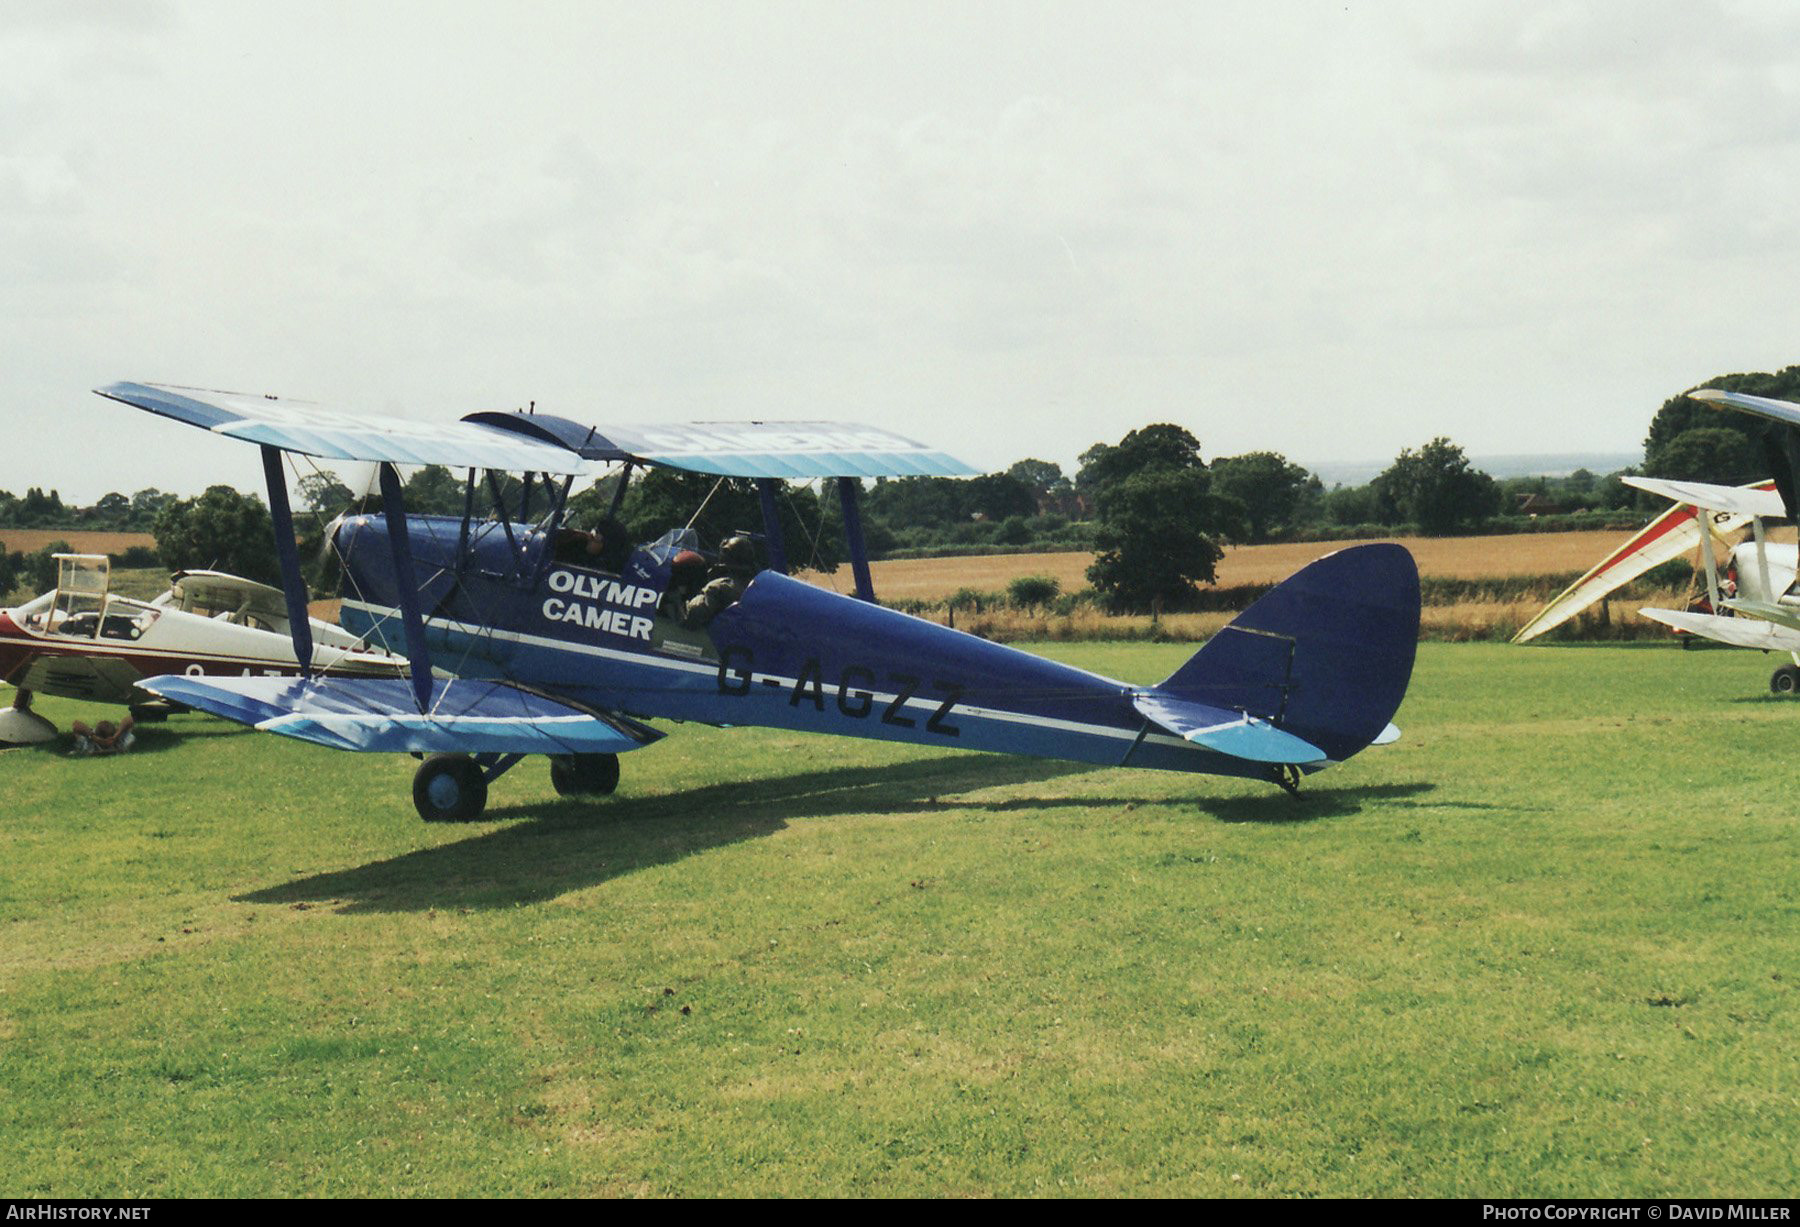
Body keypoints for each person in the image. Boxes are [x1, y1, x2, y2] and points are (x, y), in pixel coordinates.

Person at [679, 535, 757, 628]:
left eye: (724, 550)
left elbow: (693, 614)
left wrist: (676, 600)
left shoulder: (720, 586)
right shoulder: (753, 586)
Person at [70, 714, 135, 756]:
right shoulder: (121, 743)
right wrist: (116, 736)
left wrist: (93, 736)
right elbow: (130, 719)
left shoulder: (88, 745)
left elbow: (76, 724)